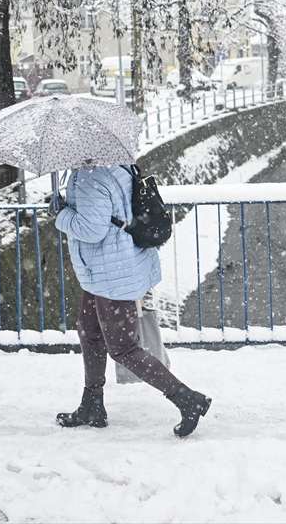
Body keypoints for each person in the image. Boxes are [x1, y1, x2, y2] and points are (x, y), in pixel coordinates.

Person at [53, 165, 211, 437]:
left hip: (112, 272)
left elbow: (91, 230)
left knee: (123, 348)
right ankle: (92, 403)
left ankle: (187, 399)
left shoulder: (91, 177)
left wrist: (61, 214)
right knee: (89, 332)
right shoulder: (118, 166)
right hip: (112, 266)